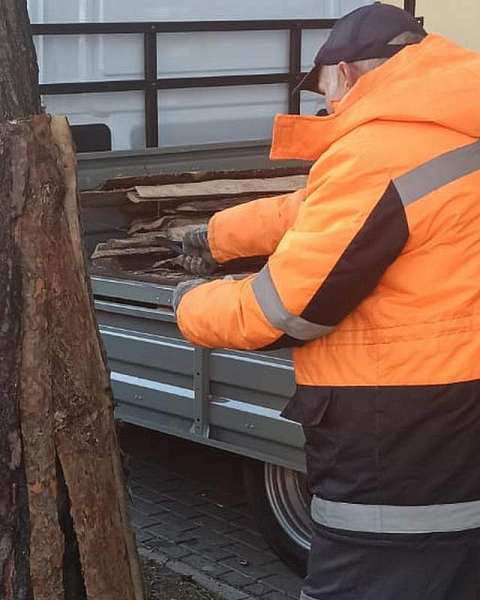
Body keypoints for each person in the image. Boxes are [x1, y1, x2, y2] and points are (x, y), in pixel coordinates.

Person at [173, 4, 480, 599]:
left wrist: (191, 305)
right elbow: (321, 211)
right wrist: (216, 237)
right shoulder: (450, 120)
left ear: (347, 72)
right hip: (457, 392)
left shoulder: (381, 149)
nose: (328, 100)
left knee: (377, 575)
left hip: (398, 421)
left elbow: (287, 308)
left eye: (325, 85)